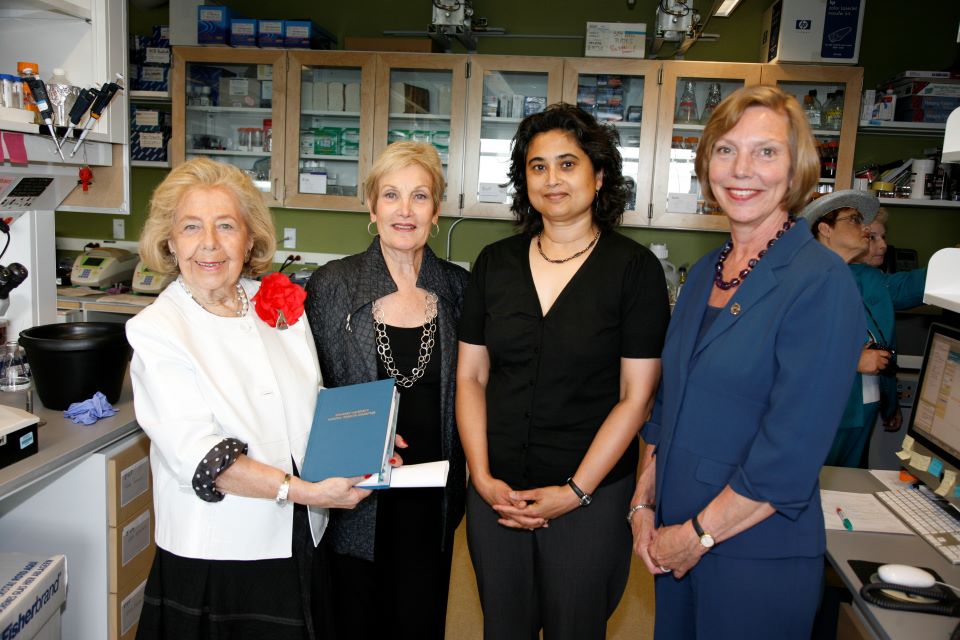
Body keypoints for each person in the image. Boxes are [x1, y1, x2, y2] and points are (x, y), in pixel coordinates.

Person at [629, 86, 865, 640]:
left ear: (797, 166)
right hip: (675, 543)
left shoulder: (820, 281)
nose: (743, 169)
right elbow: (668, 410)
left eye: (766, 152)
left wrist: (697, 536)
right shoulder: (706, 272)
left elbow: (790, 452)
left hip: (754, 556)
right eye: (726, 150)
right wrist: (643, 503)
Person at [128, 157, 370, 640]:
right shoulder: (157, 330)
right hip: (222, 554)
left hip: (301, 535)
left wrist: (365, 436)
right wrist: (307, 492)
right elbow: (202, 455)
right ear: (170, 243)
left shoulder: (277, 304)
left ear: (250, 238)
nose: (210, 244)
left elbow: (312, 404)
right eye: (191, 227)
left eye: (226, 226)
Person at [457, 103, 670, 639]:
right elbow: (472, 378)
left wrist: (574, 492)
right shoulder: (494, 263)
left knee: (577, 626)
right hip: (497, 491)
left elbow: (635, 397)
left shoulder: (633, 270)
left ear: (598, 177)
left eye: (568, 164)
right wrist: (481, 477)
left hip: (590, 497)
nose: (552, 179)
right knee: (502, 627)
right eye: (537, 166)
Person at [305, 141, 469, 640]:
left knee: (420, 621)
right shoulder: (332, 286)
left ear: (436, 211)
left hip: (432, 499)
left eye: (419, 196)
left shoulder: (460, 290)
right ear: (372, 207)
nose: (404, 210)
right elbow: (304, 389)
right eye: (391, 195)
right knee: (354, 620)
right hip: (355, 497)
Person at [804, 194, 927, 466]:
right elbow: (785, 352)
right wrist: (852, 360)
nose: (866, 230)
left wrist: (889, 401)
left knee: (847, 486)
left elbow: (909, 286)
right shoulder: (800, 280)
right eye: (855, 220)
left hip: (864, 408)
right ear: (825, 229)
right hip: (819, 411)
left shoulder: (867, 277)